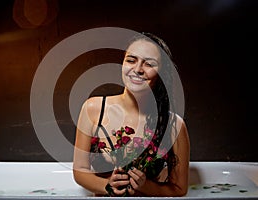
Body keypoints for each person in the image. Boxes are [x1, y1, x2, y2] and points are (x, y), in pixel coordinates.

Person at [72, 32, 190, 197]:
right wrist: (107, 184)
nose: (137, 69)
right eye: (131, 60)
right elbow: (80, 170)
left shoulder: (174, 125)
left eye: (149, 64)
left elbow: (179, 189)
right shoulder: (93, 109)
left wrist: (145, 186)